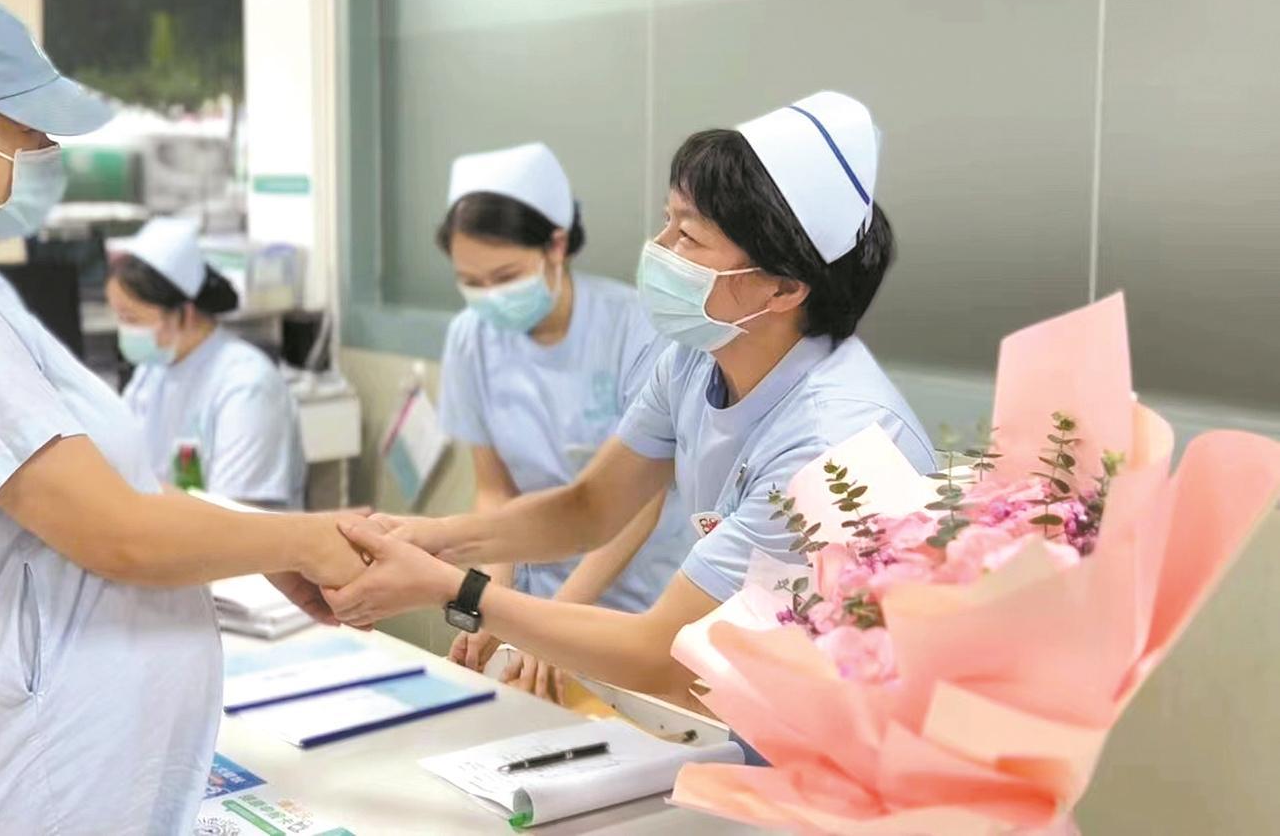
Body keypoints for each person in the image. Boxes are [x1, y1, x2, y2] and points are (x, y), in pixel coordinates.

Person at [0, 0, 364, 835]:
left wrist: (248, 545)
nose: (45, 157)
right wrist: (300, 538)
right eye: (24, 137)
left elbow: (97, 507)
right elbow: (113, 532)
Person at [325, 92, 936, 710]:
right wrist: (430, 538)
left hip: (826, 739)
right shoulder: (697, 358)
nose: (660, 247)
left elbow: (662, 652)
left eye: (689, 235)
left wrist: (459, 590)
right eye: (666, 220)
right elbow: (589, 507)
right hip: (735, 710)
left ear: (781, 287)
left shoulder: (832, 447)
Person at [434, 143, 672, 701]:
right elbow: (496, 493)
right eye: (472, 281)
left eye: (505, 275)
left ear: (556, 245)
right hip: (534, 604)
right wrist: (495, 604)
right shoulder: (470, 339)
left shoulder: (635, 329)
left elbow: (641, 499)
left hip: (636, 604)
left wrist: (554, 623)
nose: (489, 297)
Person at [109, 216, 308, 510]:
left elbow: (233, 515)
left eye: (131, 319)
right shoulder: (152, 373)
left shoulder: (247, 385)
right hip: (166, 541)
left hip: (237, 550)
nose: (123, 330)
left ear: (185, 314)